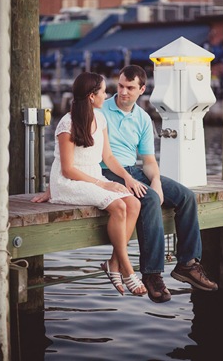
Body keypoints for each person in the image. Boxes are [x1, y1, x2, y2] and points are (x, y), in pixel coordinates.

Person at [34, 65, 218, 303]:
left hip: (132, 171)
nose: (123, 92)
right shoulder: (99, 109)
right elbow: (73, 159)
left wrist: (155, 182)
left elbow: (149, 161)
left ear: (142, 89)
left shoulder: (142, 118)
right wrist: (53, 188)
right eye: (120, 86)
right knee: (149, 200)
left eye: (130, 88)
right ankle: (152, 274)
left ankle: (188, 264)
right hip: (104, 173)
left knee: (186, 196)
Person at [34, 71, 147, 296]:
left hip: (94, 177)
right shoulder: (67, 124)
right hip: (69, 182)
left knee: (133, 204)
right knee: (119, 207)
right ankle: (127, 269)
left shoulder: (101, 118)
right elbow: (66, 169)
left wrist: (126, 177)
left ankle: (113, 263)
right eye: (103, 91)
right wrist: (103, 185)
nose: (107, 95)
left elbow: (109, 157)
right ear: (91, 96)